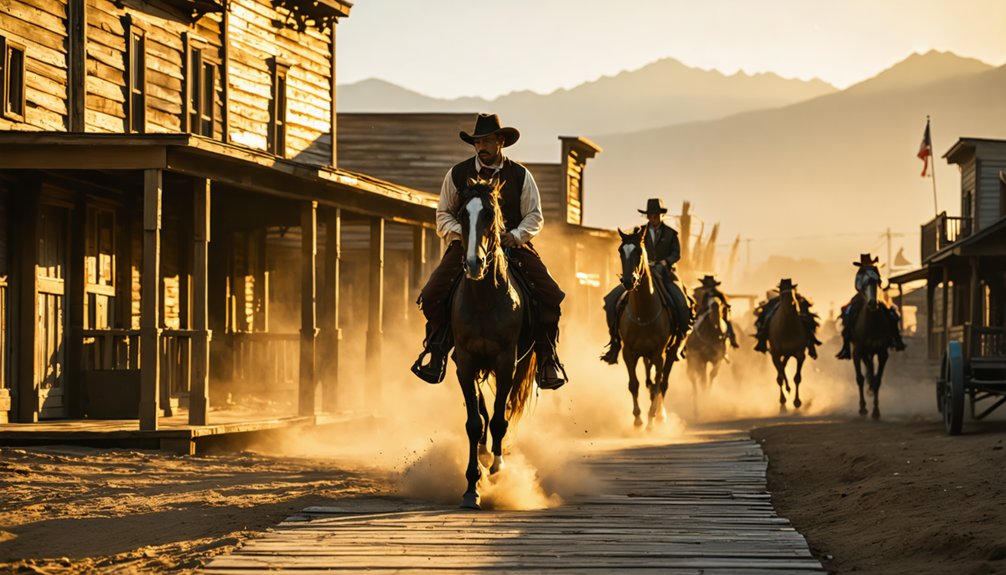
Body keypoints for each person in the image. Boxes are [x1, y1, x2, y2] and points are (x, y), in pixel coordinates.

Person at [411, 113, 567, 389]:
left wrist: (515, 236)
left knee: (550, 296)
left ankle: (546, 358)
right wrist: (464, 233)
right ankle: (436, 352)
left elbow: (534, 216)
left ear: (500, 142)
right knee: (432, 294)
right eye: (477, 142)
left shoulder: (520, 175)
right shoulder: (457, 174)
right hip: (466, 246)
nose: (480, 147)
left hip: (512, 246)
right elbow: (443, 214)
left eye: (486, 141)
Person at [600, 198, 694, 364]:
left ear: (661, 216)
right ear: (648, 216)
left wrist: (665, 262)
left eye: (656, 215)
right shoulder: (638, 234)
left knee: (682, 302)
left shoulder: (671, 234)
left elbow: (676, 253)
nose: (654, 218)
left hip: (665, 274)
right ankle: (615, 342)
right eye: (651, 215)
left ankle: (679, 341)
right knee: (610, 300)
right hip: (640, 275)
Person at [836, 253, 907, 359]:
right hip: (862, 296)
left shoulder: (875, 271)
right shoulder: (861, 272)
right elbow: (857, 285)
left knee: (891, 313)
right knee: (848, 312)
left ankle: (896, 339)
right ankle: (847, 341)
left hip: (877, 295)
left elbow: (881, 283)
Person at [753, 278, 821, 358]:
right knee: (767, 319)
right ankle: (762, 342)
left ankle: (811, 344)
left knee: (807, 319)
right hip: (775, 308)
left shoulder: (798, 299)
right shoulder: (774, 301)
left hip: (797, 309)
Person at [692, 274, 740, 349]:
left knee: (727, 322)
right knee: (727, 323)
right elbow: (703, 305)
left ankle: (732, 339)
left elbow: (726, 305)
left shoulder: (718, 294)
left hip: (718, 313)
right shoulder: (713, 294)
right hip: (706, 312)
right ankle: (732, 339)